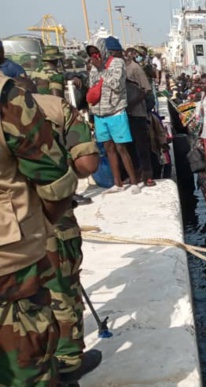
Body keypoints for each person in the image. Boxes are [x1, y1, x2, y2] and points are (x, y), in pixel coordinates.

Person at [0, 75, 77, 386]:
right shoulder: (9, 98)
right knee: (27, 374)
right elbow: (56, 183)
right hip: (11, 267)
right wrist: (41, 226)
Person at [27, 82, 104, 383]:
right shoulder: (53, 107)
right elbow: (87, 163)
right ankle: (69, 361)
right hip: (51, 220)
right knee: (62, 289)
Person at [89, 37, 140, 194]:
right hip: (100, 114)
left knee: (121, 148)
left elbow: (117, 85)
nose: (94, 55)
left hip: (116, 112)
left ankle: (134, 183)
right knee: (108, 148)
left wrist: (102, 69)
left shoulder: (117, 63)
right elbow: (92, 86)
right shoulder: (93, 67)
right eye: (91, 53)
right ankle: (117, 183)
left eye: (96, 51)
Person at [125, 47, 156, 187]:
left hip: (137, 112)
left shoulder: (135, 68)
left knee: (142, 145)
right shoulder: (120, 69)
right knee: (129, 146)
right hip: (125, 114)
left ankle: (147, 175)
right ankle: (135, 174)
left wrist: (133, 103)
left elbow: (146, 89)